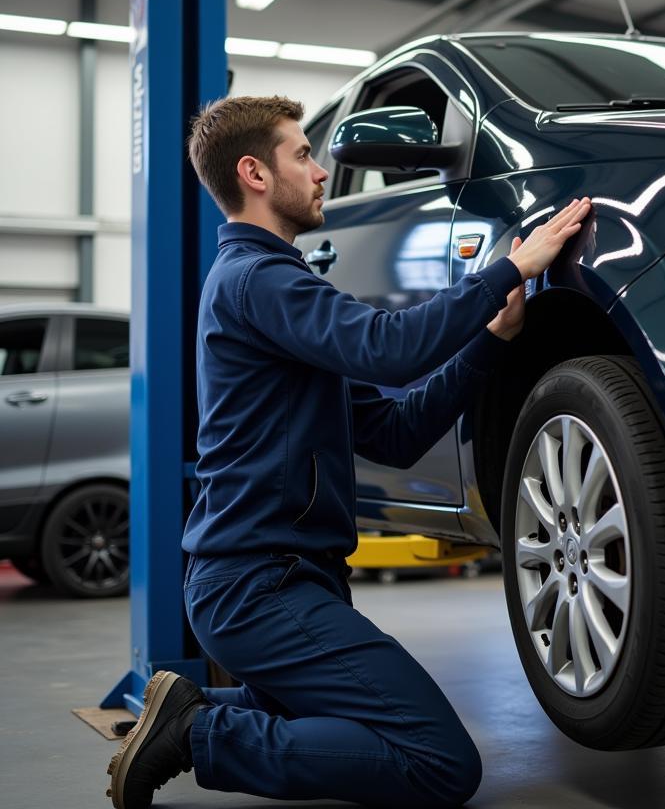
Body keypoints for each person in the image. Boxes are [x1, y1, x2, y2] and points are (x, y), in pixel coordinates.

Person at [105, 95, 591, 809]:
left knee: (348, 726)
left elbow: (395, 431)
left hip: (281, 580)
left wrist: (491, 342)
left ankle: (205, 706)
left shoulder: (274, 290)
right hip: (259, 586)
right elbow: (389, 350)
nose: (323, 170)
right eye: (303, 154)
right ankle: (198, 732)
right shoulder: (258, 280)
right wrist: (507, 270)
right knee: (439, 763)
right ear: (255, 173)